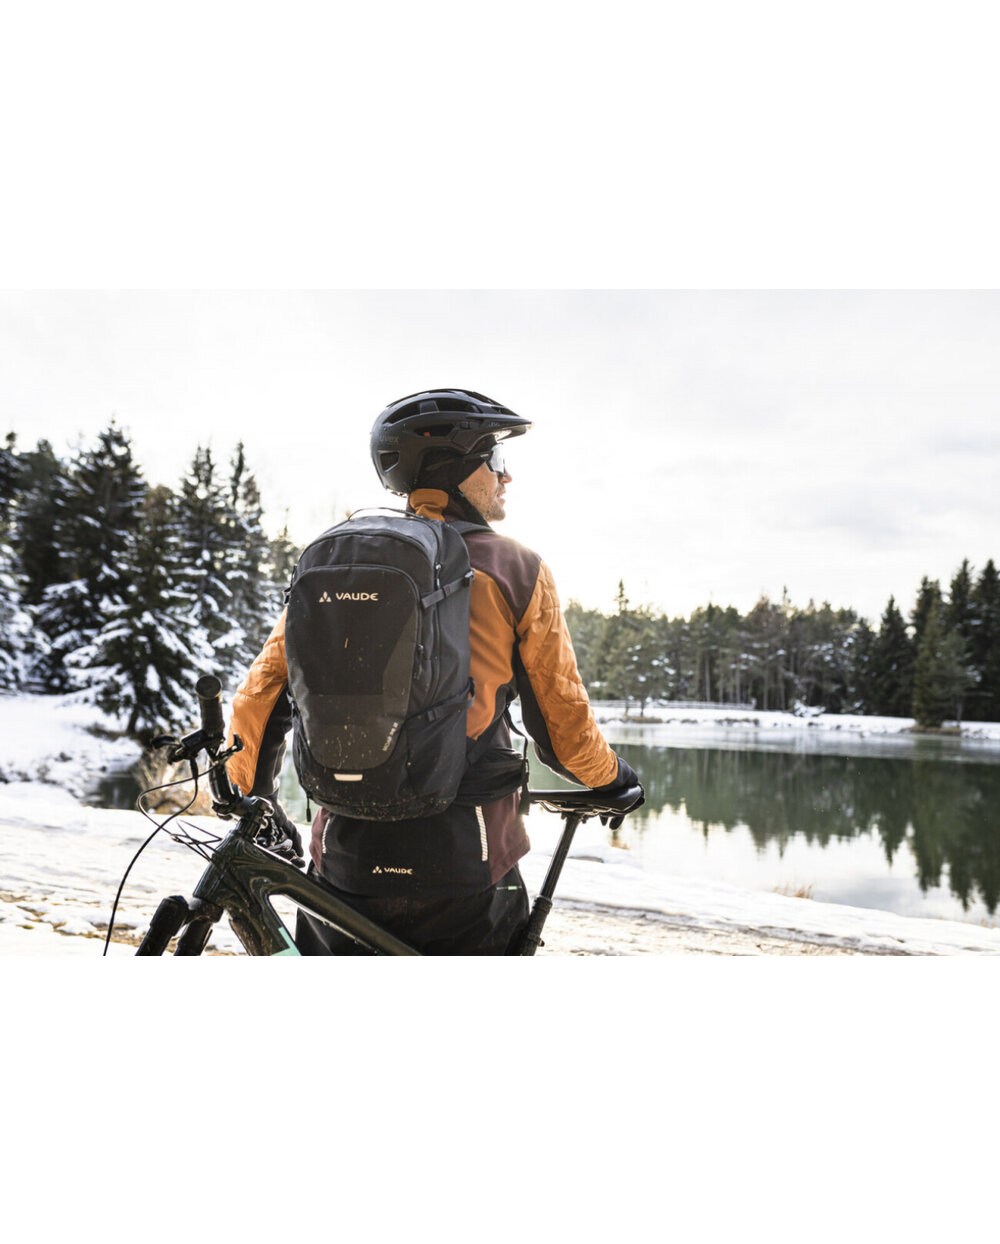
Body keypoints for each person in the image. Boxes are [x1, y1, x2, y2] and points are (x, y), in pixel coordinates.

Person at [226, 388, 642, 954]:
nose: (506, 476)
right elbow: (562, 728)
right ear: (457, 468)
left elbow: (261, 697)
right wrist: (612, 778)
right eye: (495, 459)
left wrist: (258, 799)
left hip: (344, 856)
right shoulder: (515, 568)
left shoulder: (343, 562)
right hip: (467, 861)